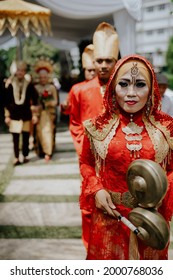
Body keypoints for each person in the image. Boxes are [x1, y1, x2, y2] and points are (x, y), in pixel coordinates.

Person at [80, 54, 173, 260]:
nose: (131, 93)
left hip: (151, 221)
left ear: (151, 89)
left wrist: (160, 194)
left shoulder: (167, 128)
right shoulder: (96, 126)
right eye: (123, 84)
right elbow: (86, 162)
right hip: (109, 217)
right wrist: (96, 190)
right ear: (113, 87)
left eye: (140, 85)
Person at [70, 22, 119, 251]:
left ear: (116, 61)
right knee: (90, 205)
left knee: (118, 205)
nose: (103, 65)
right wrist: (86, 152)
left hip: (118, 160)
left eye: (108, 61)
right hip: (90, 162)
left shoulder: (123, 89)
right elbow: (75, 125)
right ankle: (91, 249)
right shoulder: (79, 91)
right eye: (99, 61)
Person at [61, 44, 96, 152]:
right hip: (84, 133)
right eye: (89, 70)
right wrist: (65, 106)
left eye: (94, 70)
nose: (92, 73)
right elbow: (70, 109)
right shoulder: (77, 89)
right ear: (84, 70)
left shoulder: (107, 87)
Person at [4, 61, 39, 166]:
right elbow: (5, 101)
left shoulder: (29, 85)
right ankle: (16, 157)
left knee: (26, 137)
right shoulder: (9, 84)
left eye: (22, 70)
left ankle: (25, 155)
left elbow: (35, 100)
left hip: (26, 115)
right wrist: (7, 115)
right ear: (16, 71)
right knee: (15, 138)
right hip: (14, 115)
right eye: (18, 70)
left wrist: (35, 115)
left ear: (24, 72)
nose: (20, 72)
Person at [34, 58, 59, 161]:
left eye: (45, 77)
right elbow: (32, 102)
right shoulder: (35, 87)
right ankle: (40, 150)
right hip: (39, 114)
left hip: (49, 114)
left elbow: (56, 102)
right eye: (41, 77)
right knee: (39, 132)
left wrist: (48, 103)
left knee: (49, 132)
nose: (43, 79)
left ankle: (48, 152)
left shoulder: (52, 87)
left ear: (48, 77)